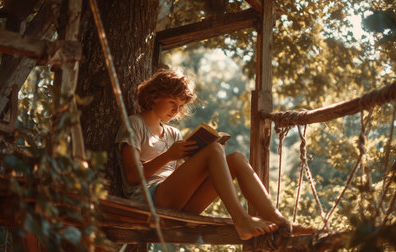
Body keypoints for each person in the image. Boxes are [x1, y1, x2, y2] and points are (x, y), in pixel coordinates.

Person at [115, 69, 314, 240]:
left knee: (235, 159)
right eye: (171, 102)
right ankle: (242, 220)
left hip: (176, 204)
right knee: (215, 150)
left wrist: (199, 160)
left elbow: (174, 177)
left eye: (180, 106)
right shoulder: (135, 124)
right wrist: (168, 155)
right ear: (154, 96)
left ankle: (280, 220)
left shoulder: (173, 134)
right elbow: (133, 177)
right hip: (148, 200)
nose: (176, 110)